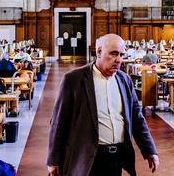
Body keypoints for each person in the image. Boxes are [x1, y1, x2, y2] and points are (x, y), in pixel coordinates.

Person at [47, 34, 159, 176]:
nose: (118, 59)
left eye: (121, 54)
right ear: (99, 52)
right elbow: (58, 123)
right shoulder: (74, 79)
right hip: (87, 158)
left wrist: (150, 150)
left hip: (116, 157)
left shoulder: (124, 80)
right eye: (113, 53)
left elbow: (137, 118)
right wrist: (53, 160)